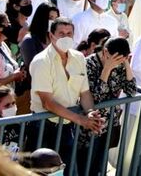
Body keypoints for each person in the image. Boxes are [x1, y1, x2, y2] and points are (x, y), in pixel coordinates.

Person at [28, 17, 103, 175]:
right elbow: (48, 103)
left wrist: (90, 113)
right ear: (51, 35)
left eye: (69, 33)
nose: (65, 37)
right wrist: (82, 120)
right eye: (61, 33)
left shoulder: (79, 58)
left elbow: (84, 92)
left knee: (67, 171)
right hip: (43, 126)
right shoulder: (41, 61)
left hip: (68, 126)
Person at [82, 37, 137, 175]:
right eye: (117, 59)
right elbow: (96, 97)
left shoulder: (121, 65)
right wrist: (107, 69)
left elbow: (132, 90)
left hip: (110, 123)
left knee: (101, 167)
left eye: (122, 59)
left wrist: (127, 65)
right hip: (91, 125)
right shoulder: (89, 63)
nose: (119, 63)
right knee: (86, 166)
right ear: (106, 52)